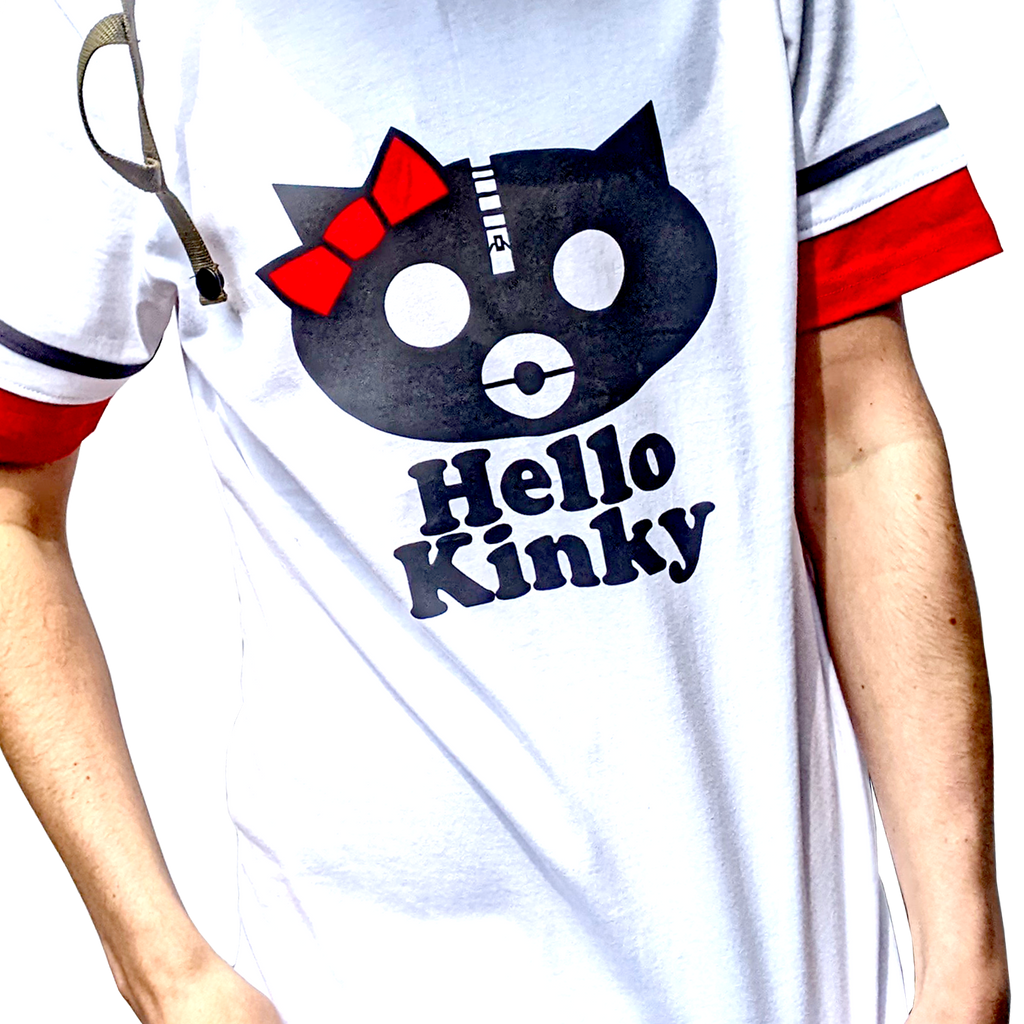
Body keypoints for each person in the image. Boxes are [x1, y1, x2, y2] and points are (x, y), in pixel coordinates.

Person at [0, 1, 1012, 1021]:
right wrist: (165, 971)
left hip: (787, 973)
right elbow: (11, 503)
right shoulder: (109, 35)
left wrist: (963, 955)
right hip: (363, 986)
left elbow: (859, 432)